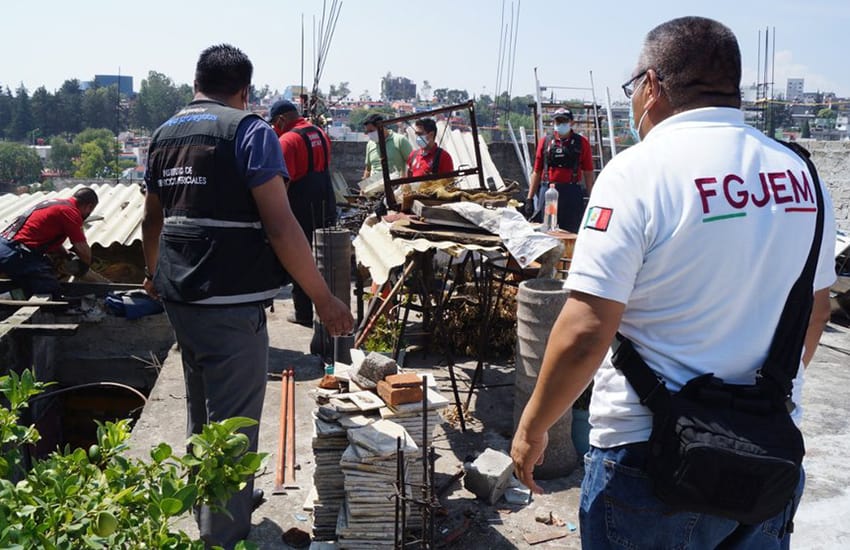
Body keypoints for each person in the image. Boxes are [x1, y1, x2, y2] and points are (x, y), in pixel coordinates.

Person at [511, 16, 835, 550]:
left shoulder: (639, 171)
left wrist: (532, 427)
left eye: (633, 85)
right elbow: (817, 309)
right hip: (768, 457)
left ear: (653, 84)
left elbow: (588, 329)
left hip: (650, 462)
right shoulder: (801, 173)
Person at [141, 44, 353, 549]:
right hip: (228, 299)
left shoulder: (164, 133)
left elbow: (152, 218)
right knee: (234, 423)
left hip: (180, 295)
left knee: (201, 408)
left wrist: (152, 274)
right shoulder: (249, 131)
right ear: (244, 90)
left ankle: (207, 504)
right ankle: (224, 536)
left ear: (197, 82)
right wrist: (323, 298)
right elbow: (281, 226)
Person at [269, 99, 337, 327]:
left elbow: (283, 184)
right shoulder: (319, 132)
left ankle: (304, 314)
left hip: (301, 205)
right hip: (325, 201)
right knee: (325, 258)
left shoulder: (287, 141)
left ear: (280, 120)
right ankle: (328, 309)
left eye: (274, 125)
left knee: (299, 257)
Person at [0, 187, 98, 297]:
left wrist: (66, 255)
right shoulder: (70, 212)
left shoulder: (53, 204)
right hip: (17, 253)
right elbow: (82, 250)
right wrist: (83, 267)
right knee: (50, 291)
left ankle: (8, 295)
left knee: (32, 278)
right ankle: (4, 298)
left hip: (6, 247)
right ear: (89, 207)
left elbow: (48, 240)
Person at [524, 108, 594, 233]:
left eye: (564, 121)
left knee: (571, 231)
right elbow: (537, 171)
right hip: (549, 192)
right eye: (558, 121)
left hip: (571, 193)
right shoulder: (545, 142)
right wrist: (529, 198)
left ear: (571, 122)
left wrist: (591, 198)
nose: (560, 124)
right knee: (546, 230)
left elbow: (588, 172)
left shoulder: (581, 143)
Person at [362, 113, 413, 179]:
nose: (369, 134)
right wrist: (365, 186)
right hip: (375, 186)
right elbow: (368, 169)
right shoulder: (370, 144)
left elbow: (412, 163)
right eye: (367, 132)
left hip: (396, 184)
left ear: (381, 127)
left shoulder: (400, 140)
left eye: (371, 131)